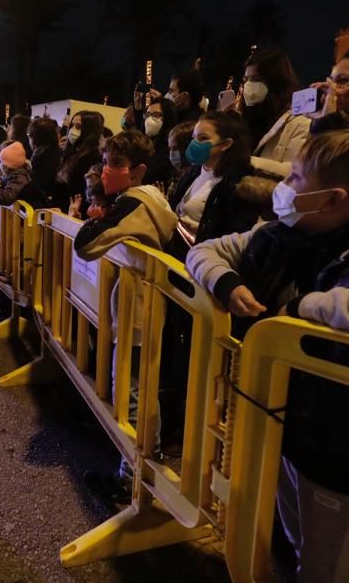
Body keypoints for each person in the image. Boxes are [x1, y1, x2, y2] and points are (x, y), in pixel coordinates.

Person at [186, 129, 349, 583]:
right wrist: (226, 283)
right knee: (299, 545)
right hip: (288, 428)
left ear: (333, 199)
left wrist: (307, 307)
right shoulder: (279, 233)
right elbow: (208, 251)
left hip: (340, 452)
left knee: (330, 567)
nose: (283, 186)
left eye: (296, 177)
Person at [75, 130, 178, 503]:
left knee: (132, 389)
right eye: (106, 162)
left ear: (137, 171)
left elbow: (85, 244)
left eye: (116, 164)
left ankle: (131, 475)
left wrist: (97, 214)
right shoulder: (151, 199)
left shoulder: (134, 204)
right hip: (143, 309)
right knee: (142, 387)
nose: (107, 170)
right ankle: (147, 460)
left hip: (138, 313)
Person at [167, 111, 270, 261]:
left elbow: (233, 239)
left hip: (200, 261)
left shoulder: (239, 183)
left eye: (203, 138)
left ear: (226, 144)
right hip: (174, 250)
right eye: (193, 138)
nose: (194, 143)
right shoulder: (194, 170)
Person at [239, 48, 311, 180]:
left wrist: (245, 162)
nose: (249, 85)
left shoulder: (299, 122)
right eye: (246, 80)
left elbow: (296, 171)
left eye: (256, 79)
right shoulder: (246, 118)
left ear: (276, 81)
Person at [52, 110, 103, 211]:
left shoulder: (92, 159)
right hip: (59, 211)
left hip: (72, 214)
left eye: (78, 127)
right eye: (72, 125)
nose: (72, 130)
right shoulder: (70, 153)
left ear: (89, 131)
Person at [20, 116, 60, 207]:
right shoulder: (52, 152)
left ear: (34, 138)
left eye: (29, 136)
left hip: (45, 208)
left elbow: (39, 184)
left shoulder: (46, 157)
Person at [141, 97, 177, 187]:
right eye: (148, 115)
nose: (149, 119)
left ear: (168, 118)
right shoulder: (143, 143)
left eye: (156, 115)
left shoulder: (171, 147)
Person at [0, 140, 32, 205]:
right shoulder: (11, 175)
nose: (0, 166)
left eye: (3, 164)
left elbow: (8, 197)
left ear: (9, 166)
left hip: (22, 213)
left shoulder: (19, 176)